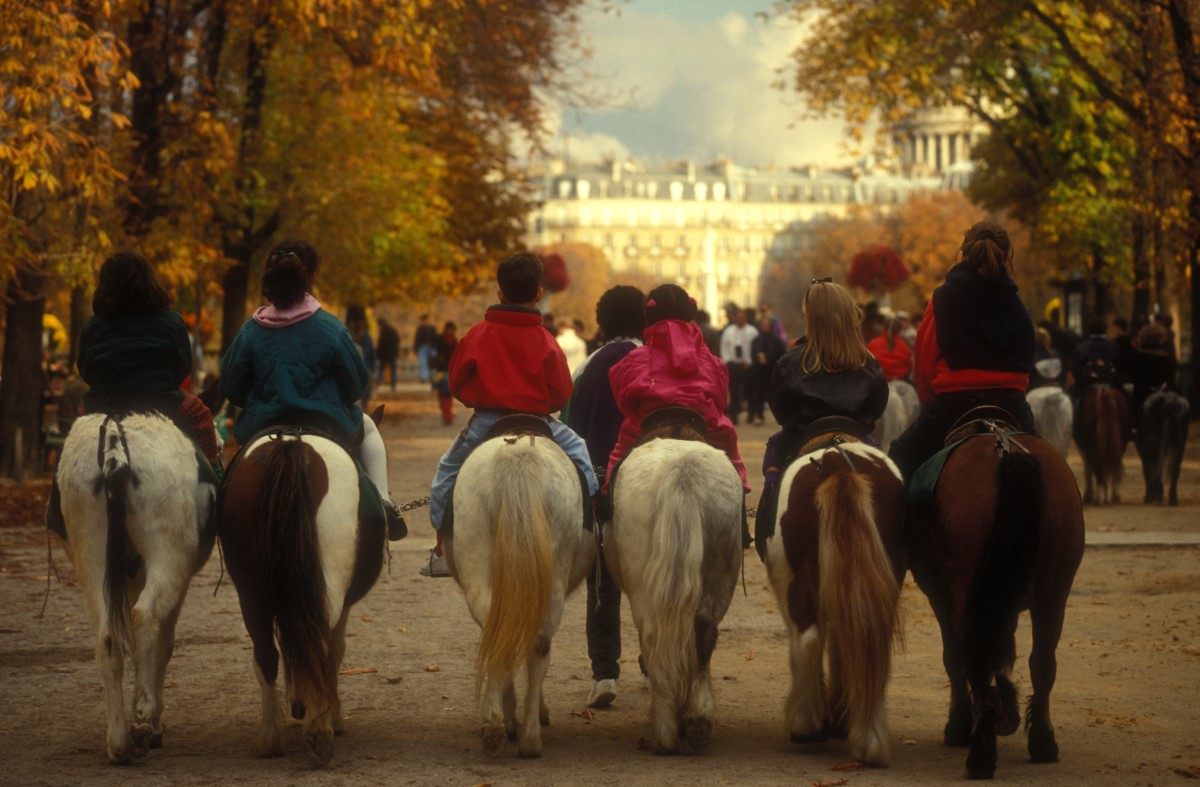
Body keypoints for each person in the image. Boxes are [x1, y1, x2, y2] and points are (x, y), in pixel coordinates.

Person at [421, 252, 598, 577]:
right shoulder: (546, 340)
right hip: (540, 422)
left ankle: (444, 548)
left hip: (488, 422)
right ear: (539, 294)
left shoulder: (477, 334)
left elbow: (457, 383)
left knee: (446, 474)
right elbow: (560, 393)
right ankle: (592, 530)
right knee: (582, 456)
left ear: (500, 293)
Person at [221, 240, 406, 540]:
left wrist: (261, 399)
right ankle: (384, 502)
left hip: (263, 427)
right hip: (325, 423)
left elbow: (230, 385)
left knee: (230, 485)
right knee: (370, 429)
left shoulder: (251, 331)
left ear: (268, 279)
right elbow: (356, 385)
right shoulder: (330, 327)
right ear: (310, 279)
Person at [46, 252, 222, 538]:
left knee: (73, 446)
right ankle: (214, 489)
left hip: (104, 406)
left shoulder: (94, 325)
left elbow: (85, 368)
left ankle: (57, 509)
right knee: (201, 417)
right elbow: (182, 366)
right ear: (149, 282)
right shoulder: (171, 321)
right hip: (162, 403)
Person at [888, 221, 1036, 482]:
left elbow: (923, 366)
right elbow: (1026, 362)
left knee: (900, 457)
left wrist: (928, 403)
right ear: (1008, 255)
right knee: (1049, 469)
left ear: (964, 251)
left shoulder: (943, 298)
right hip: (1011, 405)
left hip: (953, 404)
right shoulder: (1016, 302)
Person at [604, 284, 751, 544]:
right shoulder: (712, 362)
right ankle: (739, 518)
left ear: (648, 318)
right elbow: (720, 400)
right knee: (732, 461)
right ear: (690, 314)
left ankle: (608, 516)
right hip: (704, 423)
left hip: (647, 426)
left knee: (616, 466)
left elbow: (624, 402)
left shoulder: (631, 360)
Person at [754, 280, 888, 558]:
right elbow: (878, 407)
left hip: (802, 438)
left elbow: (779, 410)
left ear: (811, 318)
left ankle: (766, 537)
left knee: (774, 453)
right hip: (857, 437)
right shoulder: (868, 361)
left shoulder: (790, 362)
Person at [563, 285, 646, 710]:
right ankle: (653, 657)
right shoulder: (652, 360)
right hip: (645, 473)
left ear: (602, 321)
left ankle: (605, 671)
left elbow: (570, 423)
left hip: (600, 479)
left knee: (602, 582)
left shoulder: (588, 366)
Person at [1130, 321, 1179, 433]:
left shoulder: (1138, 356)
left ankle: (1135, 426)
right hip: (1165, 390)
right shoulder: (1167, 356)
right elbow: (1171, 377)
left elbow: (1133, 377)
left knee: (1131, 399)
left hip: (1144, 393)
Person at [719, 307, 758, 424]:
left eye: (743, 317)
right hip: (733, 364)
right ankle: (734, 415)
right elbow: (724, 346)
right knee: (734, 390)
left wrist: (749, 361)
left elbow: (756, 349)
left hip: (747, 364)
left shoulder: (753, 331)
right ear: (735, 318)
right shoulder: (728, 331)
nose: (740, 319)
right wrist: (727, 361)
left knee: (749, 391)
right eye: (738, 317)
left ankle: (751, 414)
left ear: (745, 318)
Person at [748, 315, 787, 424]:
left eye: (766, 325)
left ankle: (780, 417)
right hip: (759, 372)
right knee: (759, 394)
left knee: (775, 395)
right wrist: (758, 357)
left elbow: (781, 355)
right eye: (763, 325)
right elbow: (753, 353)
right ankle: (759, 416)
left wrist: (768, 357)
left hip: (772, 372)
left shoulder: (777, 340)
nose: (764, 326)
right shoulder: (756, 340)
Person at [1068, 318, 1118, 401]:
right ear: (1106, 329)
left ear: (1089, 330)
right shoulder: (1114, 347)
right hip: (1112, 385)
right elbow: (1121, 368)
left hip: (1085, 387)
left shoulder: (1081, 348)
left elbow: (1075, 370)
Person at [866, 316, 913, 381]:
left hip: (876, 383)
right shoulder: (905, 346)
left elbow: (867, 366)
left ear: (883, 328)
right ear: (899, 330)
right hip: (901, 382)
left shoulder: (872, 344)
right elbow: (909, 368)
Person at [431, 321, 458, 425]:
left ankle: (448, 416)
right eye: (449, 329)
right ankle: (446, 415)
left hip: (448, 371)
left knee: (446, 394)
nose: (450, 331)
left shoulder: (453, 341)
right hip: (441, 370)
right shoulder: (440, 339)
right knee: (442, 394)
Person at [376, 318, 400, 390]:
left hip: (385, 354)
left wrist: (379, 354)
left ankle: (378, 382)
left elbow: (380, 344)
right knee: (393, 369)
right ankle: (393, 384)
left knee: (381, 368)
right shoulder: (393, 331)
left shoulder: (383, 332)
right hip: (392, 353)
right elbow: (397, 341)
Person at [413, 314, 438, 383]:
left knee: (432, 363)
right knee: (423, 363)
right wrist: (416, 348)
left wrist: (436, 347)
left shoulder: (432, 328)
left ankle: (432, 377)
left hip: (431, 347)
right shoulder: (420, 329)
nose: (424, 322)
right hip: (422, 347)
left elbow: (435, 338)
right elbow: (417, 339)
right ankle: (423, 377)